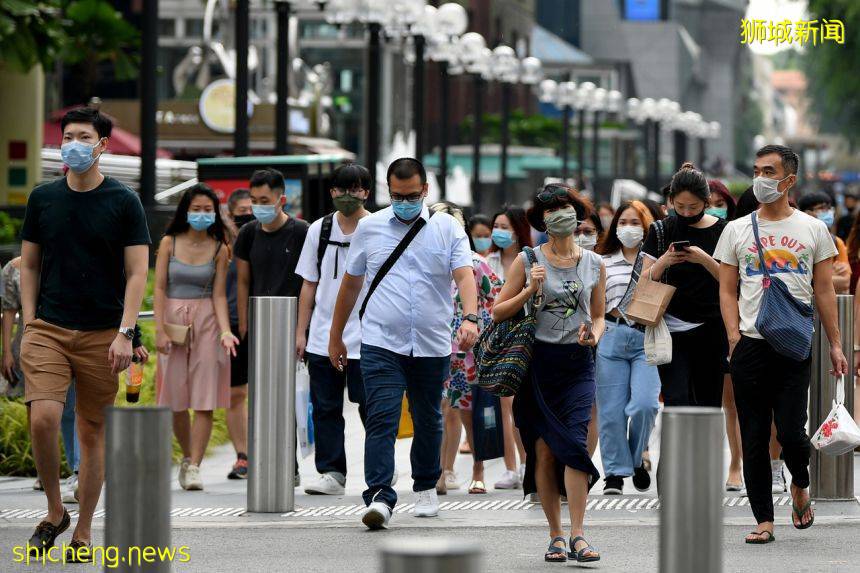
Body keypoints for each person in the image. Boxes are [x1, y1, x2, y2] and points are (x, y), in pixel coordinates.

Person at [19, 107, 150, 560]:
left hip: (103, 334)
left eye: (83, 136)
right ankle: (55, 512)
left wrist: (126, 333)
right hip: (48, 328)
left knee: (93, 432)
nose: (72, 143)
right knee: (44, 418)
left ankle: (84, 530)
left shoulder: (123, 201)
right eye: (67, 135)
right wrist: (31, 319)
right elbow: (29, 264)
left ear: (101, 146)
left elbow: (137, 273)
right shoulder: (43, 198)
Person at [328, 158, 478, 530]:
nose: (404, 201)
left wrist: (471, 317)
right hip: (381, 341)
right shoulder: (370, 227)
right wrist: (336, 337)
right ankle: (379, 495)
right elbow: (350, 284)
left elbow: (463, 274)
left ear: (425, 190)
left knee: (428, 417)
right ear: (388, 190)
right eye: (396, 195)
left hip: (430, 343)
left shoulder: (447, 229)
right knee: (382, 416)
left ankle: (426, 486)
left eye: (411, 195)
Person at [715, 144, 848, 544]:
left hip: (793, 341)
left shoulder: (812, 229)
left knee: (791, 429)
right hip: (751, 344)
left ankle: (800, 485)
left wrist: (836, 344)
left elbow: (824, 291)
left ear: (789, 180)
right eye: (756, 170)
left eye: (768, 171)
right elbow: (726, 289)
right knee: (753, 433)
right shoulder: (736, 229)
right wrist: (735, 336)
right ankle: (763, 519)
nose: (760, 178)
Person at [493, 184, 605, 563]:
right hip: (537, 366)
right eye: (552, 210)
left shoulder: (594, 263)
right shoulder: (526, 260)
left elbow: (600, 313)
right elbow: (498, 311)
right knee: (542, 452)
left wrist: (595, 334)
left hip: (578, 364)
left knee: (574, 446)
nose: (561, 215)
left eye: (566, 208)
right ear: (541, 221)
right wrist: (529, 289)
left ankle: (578, 534)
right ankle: (555, 534)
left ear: (578, 213)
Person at [154, 184, 237, 491]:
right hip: (173, 322)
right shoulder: (168, 243)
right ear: (185, 211)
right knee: (175, 400)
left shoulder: (220, 246)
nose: (202, 215)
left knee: (205, 399)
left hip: (207, 324)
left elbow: (218, 296)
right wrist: (159, 329)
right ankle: (187, 457)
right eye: (196, 209)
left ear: (216, 212)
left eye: (208, 209)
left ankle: (195, 467)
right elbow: (159, 288)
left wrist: (225, 330)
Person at [295, 164, 371, 495]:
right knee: (325, 406)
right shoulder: (319, 229)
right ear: (331, 192)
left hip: (369, 335)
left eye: (355, 189)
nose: (347, 196)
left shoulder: (377, 227)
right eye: (341, 189)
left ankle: (379, 467)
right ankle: (332, 472)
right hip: (323, 335)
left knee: (371, 405)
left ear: (366, 192)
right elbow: (309, 283)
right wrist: (301, 332)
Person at [235, 168, 309, 483]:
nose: (258, 205)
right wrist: (244, 325)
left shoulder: (302, 231)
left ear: (281, 199)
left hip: (291, 325)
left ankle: (288, 464)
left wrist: (301, 331)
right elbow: (242, 280)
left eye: (264, 199)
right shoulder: (249, 232)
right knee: (261, 399)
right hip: (259, 325)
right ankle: (262, 462)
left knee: (289, 399)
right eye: (254, 200)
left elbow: (310, 281)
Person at [641, 162, 728, 409]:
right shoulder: (660, 230)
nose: (687, 213)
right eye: (680, 207)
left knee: (708, 403)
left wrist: (703, 258)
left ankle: (703, 450)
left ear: (706, 201)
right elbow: (643, 281)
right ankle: (677, 449)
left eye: (693, 207)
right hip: (670, 330)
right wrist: (664, 261)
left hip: (711, 329)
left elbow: (732, 281)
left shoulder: (724, 230)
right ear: (670, 201)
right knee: (676, 400)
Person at [432, 202, 503, 496]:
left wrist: (478, 327)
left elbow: (496, 296)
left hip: (470, 350)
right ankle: (441, 471)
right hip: (433, 347)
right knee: (442, 410)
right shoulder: (425, 260)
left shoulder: (474, 262)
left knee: (470, 413)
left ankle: (477, 469)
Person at [594, 200, 659, 495]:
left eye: (635, 222)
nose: (628, 228)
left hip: (646, 337)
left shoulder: (655, 262)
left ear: (646, 226)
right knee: (611, 411)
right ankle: (615, 474)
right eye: (622, 222)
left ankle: (634, 460)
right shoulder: (602, 261)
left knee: (646, 404)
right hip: (611, 334)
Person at [2, 257, 80, 501]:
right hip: (30, 341)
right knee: (36, 409)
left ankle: (77, 469)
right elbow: (8, 311)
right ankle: (45, 470)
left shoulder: (66, 256)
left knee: (70, 408)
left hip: (68, 337)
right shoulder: (12, 269)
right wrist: (6, 352)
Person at [487, 205, 533, 489]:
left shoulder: (530, 261)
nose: (499, 232)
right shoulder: (484, 261)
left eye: (506, 227)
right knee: (505, 405)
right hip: (493, 339)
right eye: (497, 227)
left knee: (516, 405)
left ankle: (525, 463)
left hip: (523, 339)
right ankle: (511, 466)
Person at [223, 188, 254, 479]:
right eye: (241, 212)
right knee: (236, 393)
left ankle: (277, 453)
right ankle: (242, 455)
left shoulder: (265, 236)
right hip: (232, 324)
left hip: (269, 321)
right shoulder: (222, 246)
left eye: (251, 209)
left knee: (271, 393)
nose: (247, 217)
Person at [798, 192, 851, 294]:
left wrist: (812, 277)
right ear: (807, 213)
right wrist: (829, 275)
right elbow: (797, 281)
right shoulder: (798, 240)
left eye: (829, 208)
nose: (828, 212)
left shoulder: (836, 242)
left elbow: (844, 282)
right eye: (822, 208)